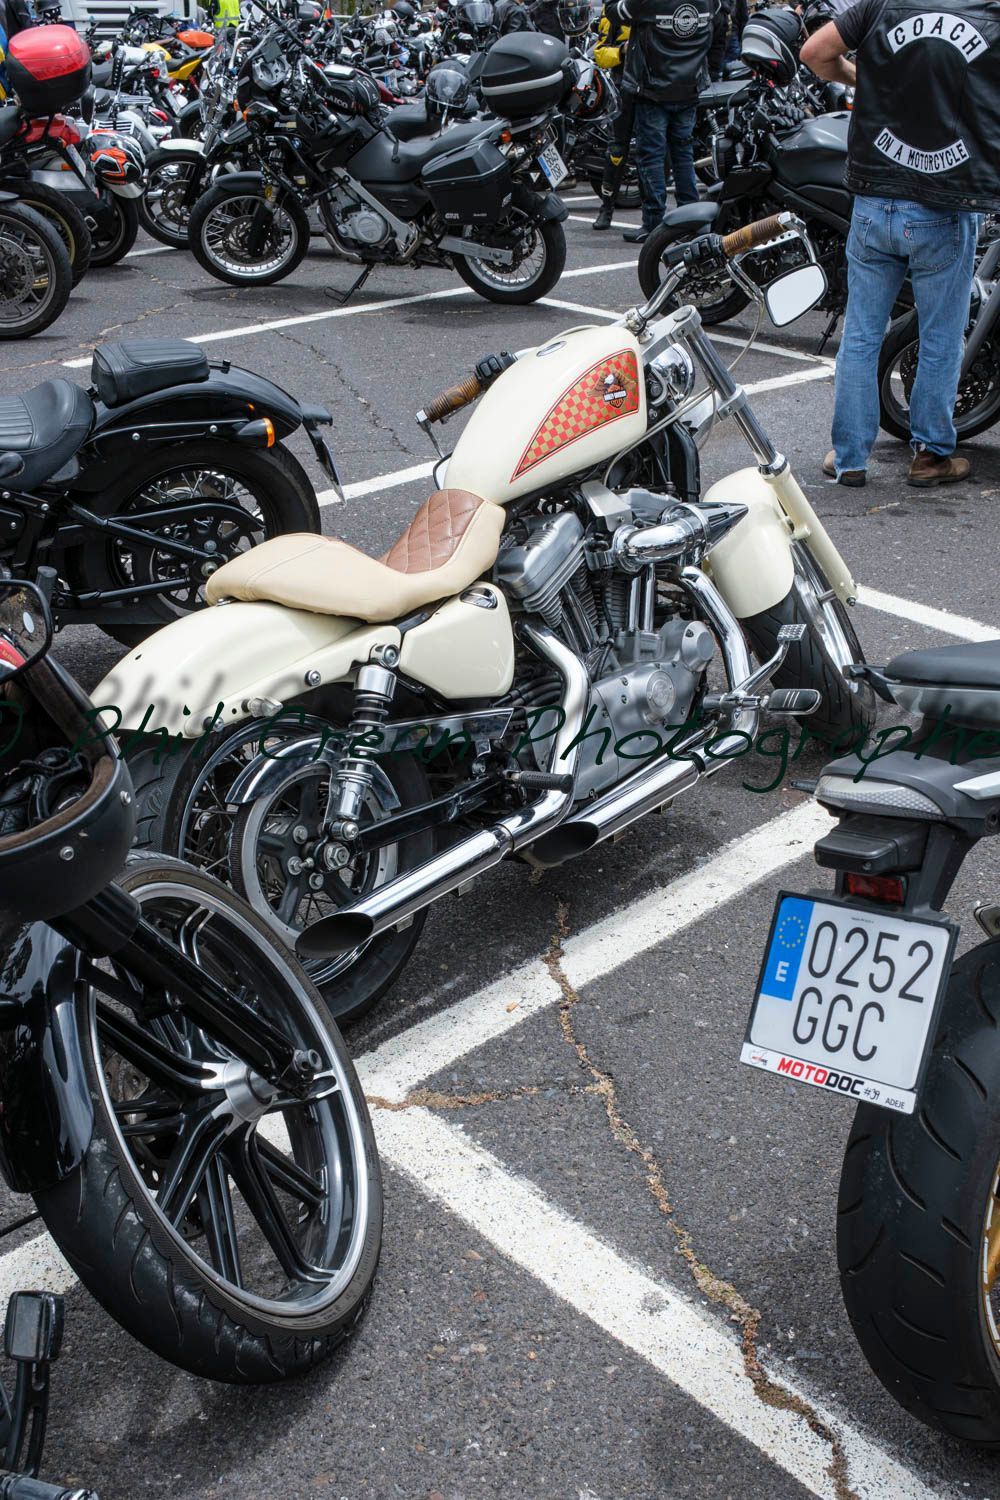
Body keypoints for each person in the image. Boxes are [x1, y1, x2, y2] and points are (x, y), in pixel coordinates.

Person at [801, 0, 999, 488]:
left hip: (875, 198)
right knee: (941, 338)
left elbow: (814, 53)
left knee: (861, 336)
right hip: (945, 204)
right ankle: (930, 456)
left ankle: (850, 458)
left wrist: (858, 78)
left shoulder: (881, 4)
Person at [605, 0, 716, 244]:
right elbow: (717, 13)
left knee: (652, 157)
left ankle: (654, 224)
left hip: (654, 89)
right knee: (683, 154)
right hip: (688, 86)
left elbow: (613, 11)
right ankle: (692, 220)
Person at [591, 0, 633, 229]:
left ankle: (653, 218)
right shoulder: (615, 11)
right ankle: (606, 208)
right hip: (623, 88)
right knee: (616, 150)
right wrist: (622, 50)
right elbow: (600, 53)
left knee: (652, 151)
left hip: (653, 88)